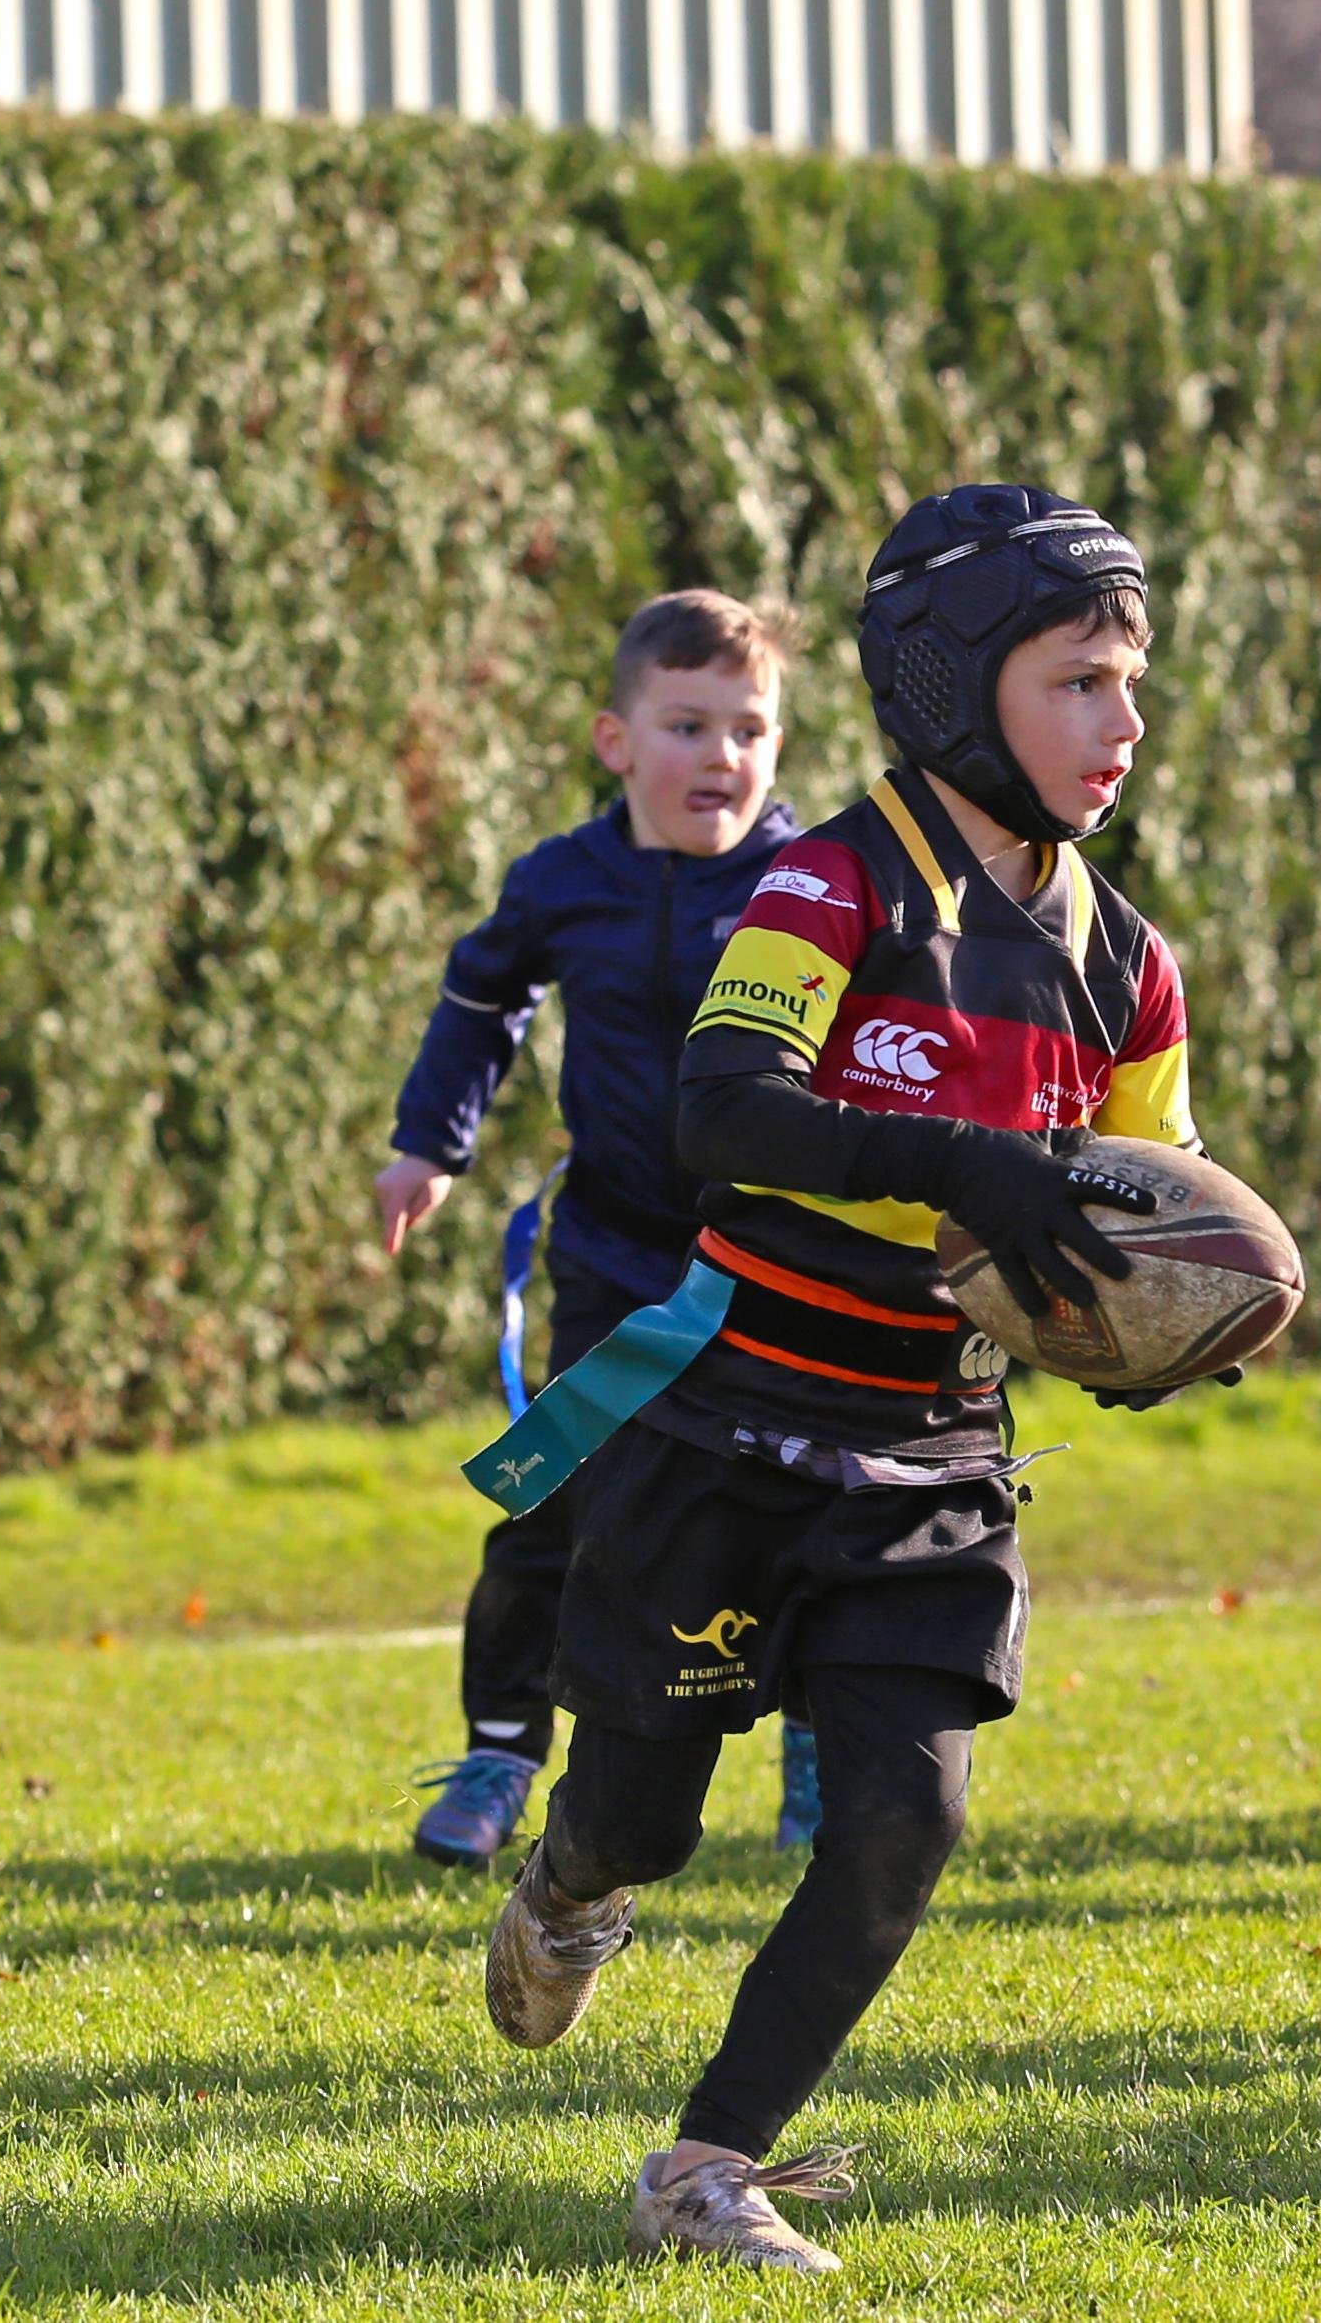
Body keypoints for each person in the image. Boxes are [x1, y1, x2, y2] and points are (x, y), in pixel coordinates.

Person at [465, 485, 1223, 2271]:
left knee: (911, 1810)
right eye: (1082, 681)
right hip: (726, 1424)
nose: (1124, 726)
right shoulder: (832, 879)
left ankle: (710, 2160)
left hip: (939, 1448)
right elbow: (714, 1112)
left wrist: (1150, 1329)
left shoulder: (1129, 963)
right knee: (642, 1809)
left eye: (1135, 682)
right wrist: (963, 1158)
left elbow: (1133, 1204)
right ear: (958, 687)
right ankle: (571, 1885)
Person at [378, 589, 820, 1869]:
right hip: (617, 1260)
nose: (723, 755)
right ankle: (499, 1751)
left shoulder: (814, 885)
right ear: (615, 741)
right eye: (687, 725)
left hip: (779, 1266)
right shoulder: (562, 883)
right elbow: (482, 992)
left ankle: (815, 1754)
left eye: (752, 727)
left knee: (794, 1512)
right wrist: (430, 1143)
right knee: (553, 1502)